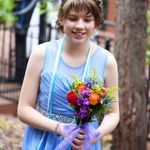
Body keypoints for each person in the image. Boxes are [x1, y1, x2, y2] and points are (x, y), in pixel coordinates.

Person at [17, 0, 120, 149]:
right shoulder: (41, 53)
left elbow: (113, 113)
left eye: (87, 19)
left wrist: (93, 136)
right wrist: (59, 128)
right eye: (73, 18)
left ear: (96, 22)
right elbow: (23, 109)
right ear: (62, 18)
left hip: (83, 143)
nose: (79, 26)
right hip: (44, 139)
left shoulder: (107, 61)